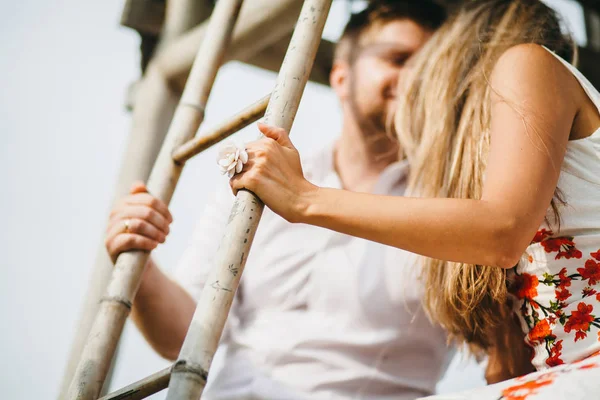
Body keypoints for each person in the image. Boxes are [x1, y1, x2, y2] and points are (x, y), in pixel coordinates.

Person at [231, 0, 600, 397]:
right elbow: (506, 368)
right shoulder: (491, 173)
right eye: (397, 59)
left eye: (420, 61)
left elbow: (502, 232)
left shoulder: (526, 63)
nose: (410, 82)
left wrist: (305, 199)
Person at [105, 2, 452, 399]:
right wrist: (140, 264)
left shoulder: (453, 203)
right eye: (399, 59)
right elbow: (183, 336)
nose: (417, 77)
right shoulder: (258, 178)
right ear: (342, 77)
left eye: (432, 67)